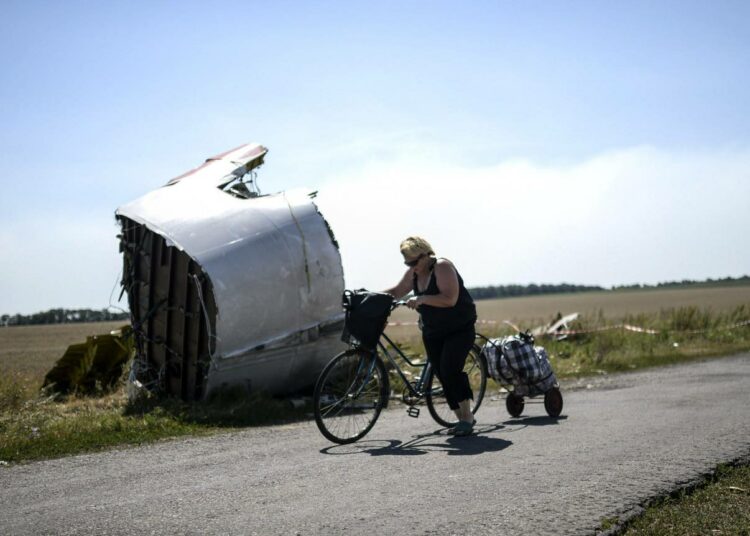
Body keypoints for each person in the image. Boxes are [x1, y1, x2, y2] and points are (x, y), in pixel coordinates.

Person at [383, 236, 478, 436]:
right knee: (442, 374)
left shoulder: (442, 267)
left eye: (414, 261)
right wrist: (372, 297)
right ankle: (460, 419)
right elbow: (397, 291)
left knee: (449, 368)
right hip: (434, 330)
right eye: (407, 262)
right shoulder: (415, 272)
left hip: (458, 328)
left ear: (426, 255)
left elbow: (449, 299)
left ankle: (467, 417)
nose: (411, 266)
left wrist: (422, 298)